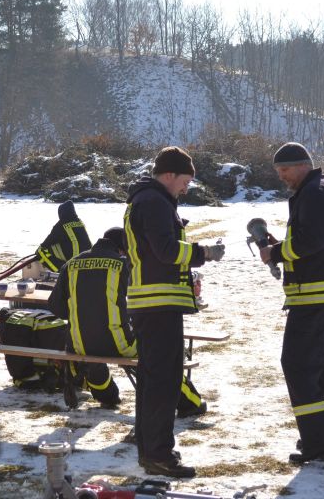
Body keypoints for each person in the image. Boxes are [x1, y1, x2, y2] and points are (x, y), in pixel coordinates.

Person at [124, 146, 225, 478]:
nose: (186, 188)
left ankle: (150, 449)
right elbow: (166, 251)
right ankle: (159, 455)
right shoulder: (153, 202)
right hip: (158, 305)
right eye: (185, 181)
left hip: (154, 304)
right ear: (168, 175)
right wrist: (203, 252)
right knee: (164, 384)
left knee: (155, 381)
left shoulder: (148, 200)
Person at [48, 227, 206, 416]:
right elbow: (145, 303)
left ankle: (107, 396)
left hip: (77, 344)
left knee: (93, 349)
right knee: (161, 355)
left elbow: (56, 307)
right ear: (123, 249)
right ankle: (192, 404)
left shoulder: (71, 264)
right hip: (119, 344)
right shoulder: (124, 265)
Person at [259, 142, 324, 464]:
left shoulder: (312, 192)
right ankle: (323, 441)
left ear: (302, 165)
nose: (281, 176)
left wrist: (277, 252)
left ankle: (318, 445)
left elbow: (313, 241)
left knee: (297, 367)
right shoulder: (321, 190)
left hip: (316, 295)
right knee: (323, 372)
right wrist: (283, 247)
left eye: (284, 170)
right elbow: (315, 240)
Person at [36, 200, 91, 273]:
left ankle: (61, 271)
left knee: (40, 251)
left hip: (73, 264)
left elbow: (46, 243)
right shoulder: (80, 223)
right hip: (87, 260)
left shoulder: (61, 225)